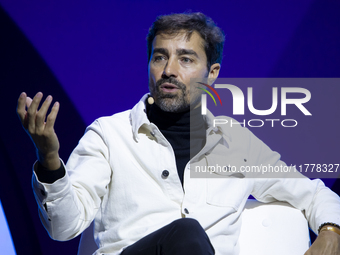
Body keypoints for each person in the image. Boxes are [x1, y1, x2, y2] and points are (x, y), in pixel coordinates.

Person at [17, 12, 340, 255]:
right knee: (187, 233)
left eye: (185, 59)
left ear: (212, 74)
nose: (169, 70)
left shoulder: (238, 144)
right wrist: (49, 160)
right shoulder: (109, 135)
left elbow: (313, 193)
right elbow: (63, 228)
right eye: (160, 57)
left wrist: (330, 231)